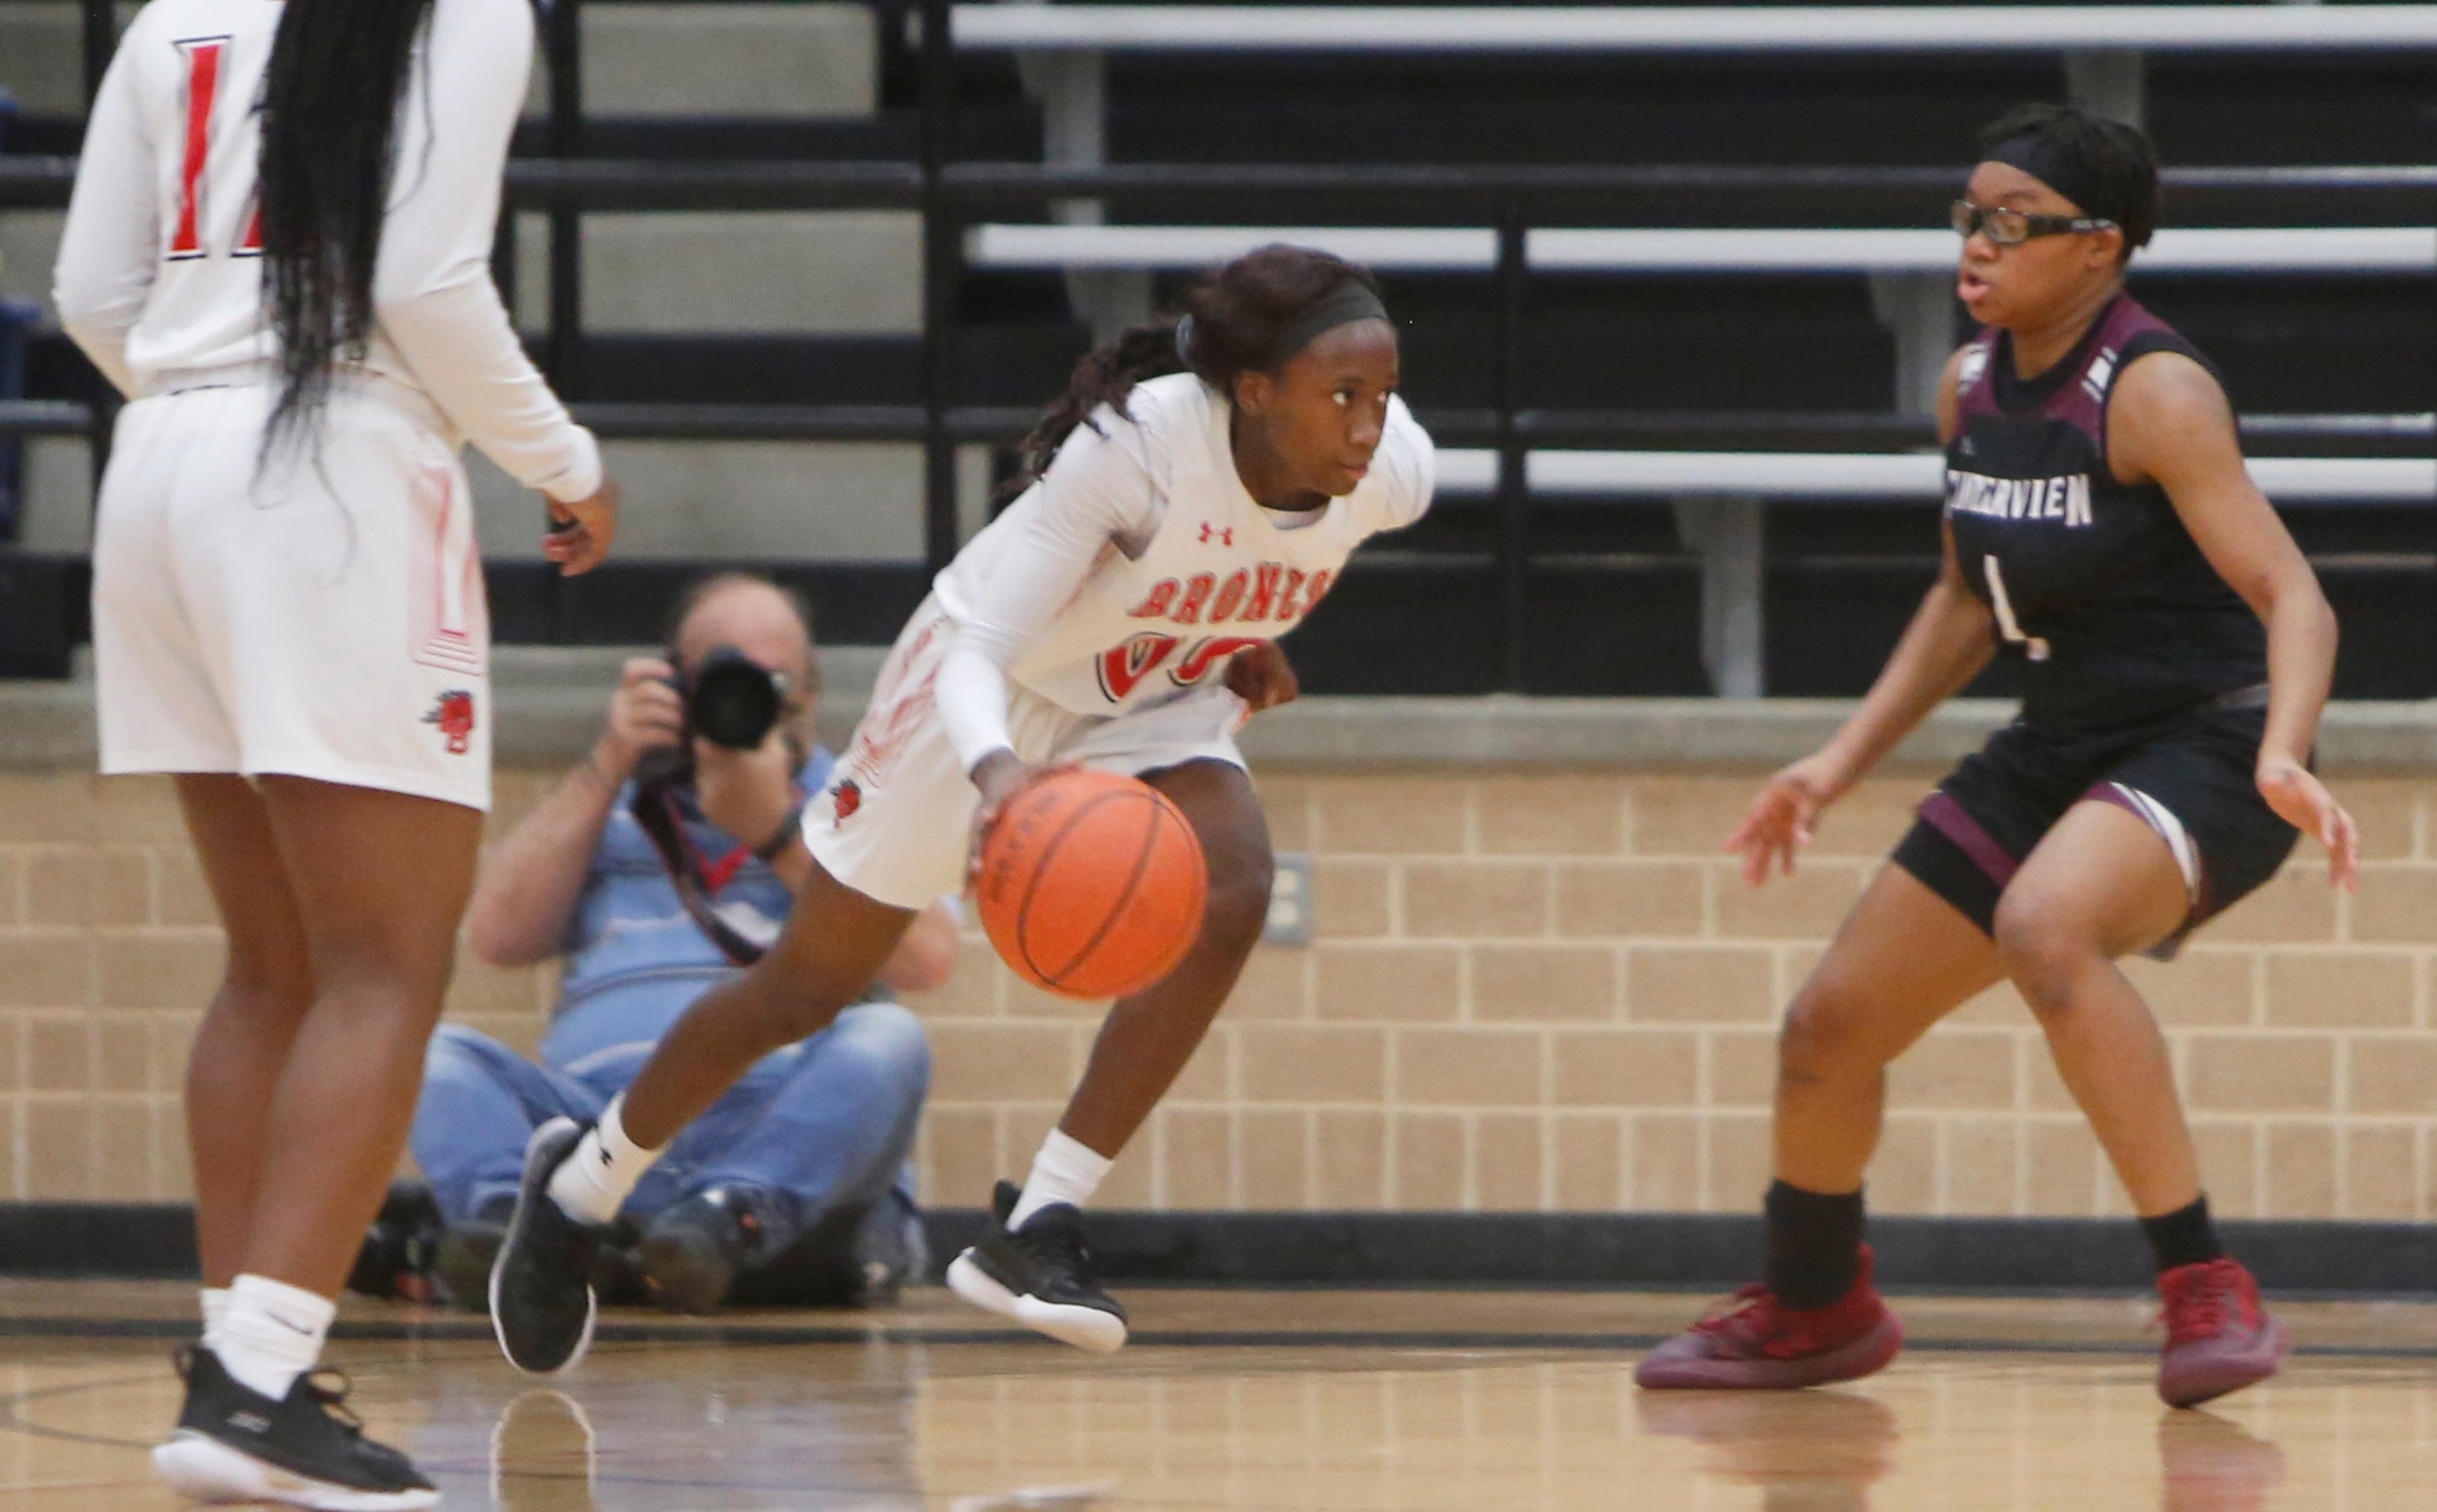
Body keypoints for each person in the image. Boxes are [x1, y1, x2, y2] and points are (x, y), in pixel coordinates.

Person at [488, 242, 1434, 1372]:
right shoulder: (1131, 451)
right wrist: (998, 774)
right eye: (1343, 396)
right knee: (807, 987)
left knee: (1231, 891)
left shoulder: (1393, 473)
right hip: (979, 690)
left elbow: (1257, 555)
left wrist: (1235, 637)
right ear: (1255, 389)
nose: (1371, 424)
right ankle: (584, 1185)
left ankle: (1038, 1221)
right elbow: (982, 646)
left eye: (1382, 394)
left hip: (1143, 687)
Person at [1636, 104, 2356, 1410]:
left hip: (2214, 737)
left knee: (2044, 925)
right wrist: (1833, 762)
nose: (1977, 242)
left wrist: (2288, 754)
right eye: (1970, 213)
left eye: (2012, 222)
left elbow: (2297, 597)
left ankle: (2203, 1282)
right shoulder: (1969, 383)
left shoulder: (2154, 390)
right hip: (2061, 735)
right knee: (1826, 1028)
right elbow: (1969, 595)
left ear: (2101, 248)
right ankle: (1815, 1305)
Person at [52, 0, 619, 1499]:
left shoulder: (178, 11)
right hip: (332, 466)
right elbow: (425, 277)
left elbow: (88, 292)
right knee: (384, 963)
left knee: (273, 964)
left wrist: (205, 396)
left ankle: (237, 1366)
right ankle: (258, 1380)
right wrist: (563, 459)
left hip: (159, 466)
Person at [408, 573, 957, 1313]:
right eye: (721, 678)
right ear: (674, 685)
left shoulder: (856, 802)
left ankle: (726, 1218)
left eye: (774, 680)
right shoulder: (616, 801)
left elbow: (926, 958)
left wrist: (776, 833)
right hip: (595, 1126)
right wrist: (608, 762)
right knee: (426, 1049)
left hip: (773, 1129)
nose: (750, 699)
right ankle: (525, 1225)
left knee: (889, 1040)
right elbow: (497, 936)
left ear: (814, 692)